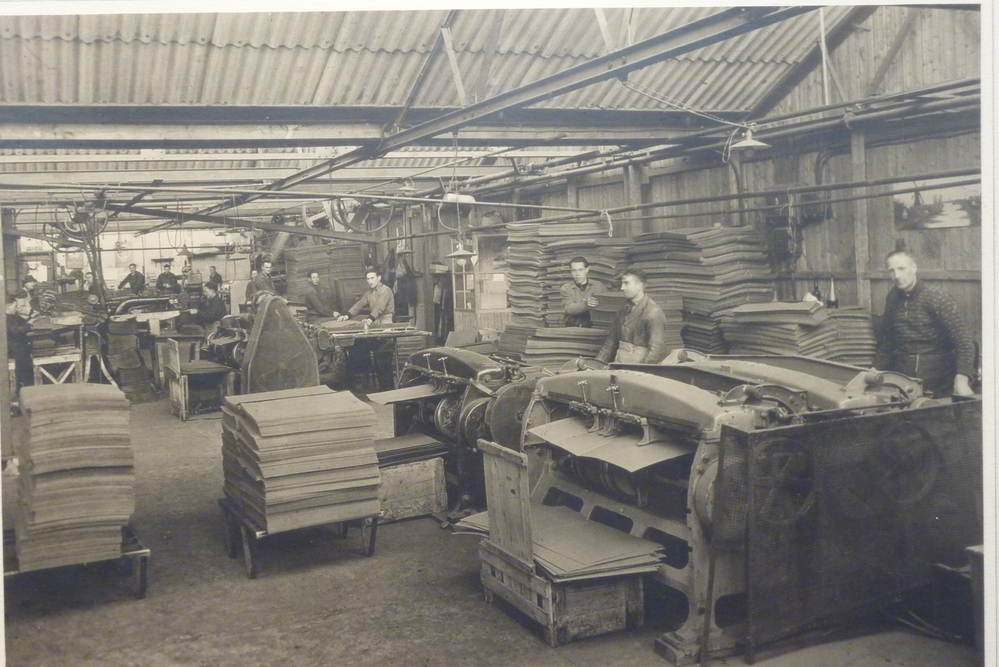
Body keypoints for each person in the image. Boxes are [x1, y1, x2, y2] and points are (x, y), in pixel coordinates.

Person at [874, 250, 975, 397]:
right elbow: (888, 341)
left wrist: (962, 380)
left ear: (914, 268)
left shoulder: (936, 298)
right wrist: (874, 369)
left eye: (901, 269)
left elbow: (964, 342)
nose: (897, 276)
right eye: (891, 271)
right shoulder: (892, 298)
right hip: (903, 377)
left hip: (939, 380)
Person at [594, 268, 670, 364]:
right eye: (622, 283)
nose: (622, 288)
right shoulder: (623, 309)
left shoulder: (653, 313)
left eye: (626, 283)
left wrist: (637, 371)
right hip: (620, 364)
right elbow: (611, 342)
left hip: (640, 369)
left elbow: (656, 351)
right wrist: (596, 364)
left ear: (639, 286)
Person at [560, 256, 605, 327]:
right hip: (572, 326)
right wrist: (586, 304)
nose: (577, 274)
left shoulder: (599, 286)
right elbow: (569, 308)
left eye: (580, 270)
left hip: (594, 327)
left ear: (586, 270)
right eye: (574, 270)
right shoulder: (566, 288)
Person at [6, 294, 33, 389]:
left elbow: (23, 323)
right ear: (8, 307)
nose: (17, 308)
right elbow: (16, 331)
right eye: (15, 306)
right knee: (24, 360)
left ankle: (27, 383)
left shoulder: (13, 316)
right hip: (13, 349)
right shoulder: (5, 318)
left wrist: (32, 318)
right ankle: (23, 385)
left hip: (18, 346)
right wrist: (29, 325)